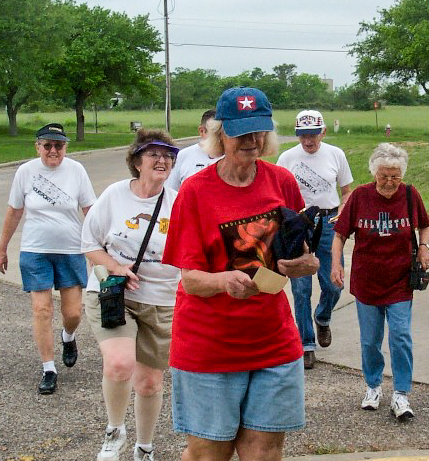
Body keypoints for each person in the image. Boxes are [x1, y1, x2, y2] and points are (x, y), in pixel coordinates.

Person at [162, 87, 319, 461]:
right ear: (220, 135)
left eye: (258, 132)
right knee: (209, 453)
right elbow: (190, 279)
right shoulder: (195, 192)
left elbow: (298, 253)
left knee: (264, 452)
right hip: (209, 344)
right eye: (240, 133)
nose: (251, 141)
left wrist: (305, 265)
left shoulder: (281, 182)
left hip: (273, 341)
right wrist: (222, 281)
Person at [81, 129, 180, 461]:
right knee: (121, 364)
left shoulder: (178, 202)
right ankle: (114, 431)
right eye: (154, 154)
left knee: (150, 383)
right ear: (137, 161)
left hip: (162, 298)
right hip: (113, 293)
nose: (162, 160)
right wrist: (115, 266)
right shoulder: (114, 195)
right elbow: (90, 245)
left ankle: (144, 447)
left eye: (168, 155)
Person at [331, 143, 429, 421]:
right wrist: (336, 263)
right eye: (384, 176)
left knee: (400, 337)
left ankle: (401, 393)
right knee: (370, 341)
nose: (390, 182)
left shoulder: (411, 195)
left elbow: (425, 224)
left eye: (395, 176)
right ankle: (373, 386)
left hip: (400, 280)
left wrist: (424, 246)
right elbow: (339, 235)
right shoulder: (360, 197)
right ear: (374, 173)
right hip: (367, 281)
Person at [0, 123, 96, 395]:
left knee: (73, 313)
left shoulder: (76, 171)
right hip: (35, 249)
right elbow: (14, 211)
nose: (53, 150)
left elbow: (90, 209)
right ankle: (49, 368)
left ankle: (69, 337)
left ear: (66, 147)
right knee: (41, 309)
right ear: (37, 146)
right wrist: (2, 248)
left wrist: (100, 248)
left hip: (71, 250)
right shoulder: (26, 171)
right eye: (48, 145)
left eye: (59, 145)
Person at [276, 110, 354, 369]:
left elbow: (346, 191)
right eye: (303, 136)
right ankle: (306, 343)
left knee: (334, 283)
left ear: (323, 132)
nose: (308, 141)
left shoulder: (335, 154)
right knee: (300, 289)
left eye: (313, 135)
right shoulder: (287, 158)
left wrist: (343, 214)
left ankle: (323, 316)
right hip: (299, 223)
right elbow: (277, 194)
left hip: (329, 221)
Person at [165, 109, 220, 191]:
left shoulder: (232, 158)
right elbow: (170, 192)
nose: (220, 138)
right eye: (215, 133)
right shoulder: (183, 156)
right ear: (202, 131)